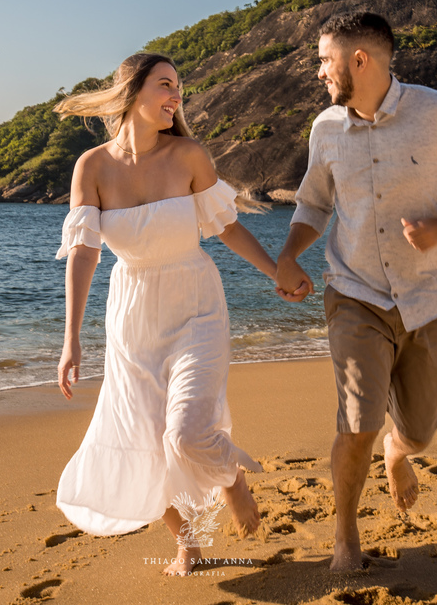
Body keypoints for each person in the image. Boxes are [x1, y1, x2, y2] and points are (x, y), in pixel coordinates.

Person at [273, 11, 437, 571]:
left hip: (431, 298)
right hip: (354, 294)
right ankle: (345, 539)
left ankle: (398, 453)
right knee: (357, 423)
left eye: (325, 60)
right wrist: (287, 255)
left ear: (360, 60)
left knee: (420, 433)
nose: (319, 72)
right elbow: (314, 204)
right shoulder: (325, 128)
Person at [53, 52, 285, 576]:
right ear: (132, 92)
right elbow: (84, 253)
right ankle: (188, 543)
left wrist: (276, 272)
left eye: (178, 86)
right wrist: (71, 340)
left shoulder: (189, 155)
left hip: (196, 305)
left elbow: (227, 227)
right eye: (165, 85)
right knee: (143, 442)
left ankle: (232, 478)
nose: (176, 96)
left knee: (185, 433)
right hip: (133, 318)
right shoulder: (92, 166)